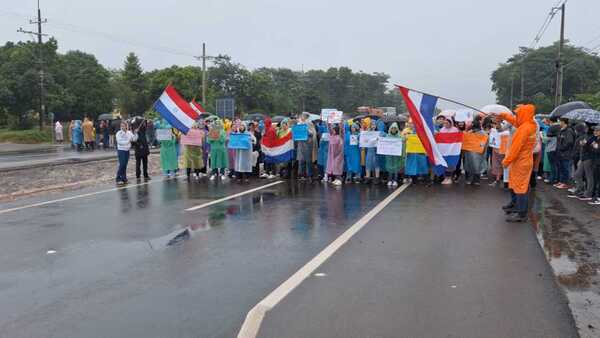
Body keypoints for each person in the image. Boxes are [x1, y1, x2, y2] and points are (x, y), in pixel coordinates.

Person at [498, 104, 538, 222]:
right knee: (515, 184)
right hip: (522, 161)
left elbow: (515, 148)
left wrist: (506, 161)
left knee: (520, 188)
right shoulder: (529, 124)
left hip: (521, 161)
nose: (516, 115)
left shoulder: (524, 129)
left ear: (523, 114)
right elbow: (515, 121)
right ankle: (516, 206)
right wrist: (503, 115)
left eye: (518, 113)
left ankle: (521, 214)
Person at [569, 124, 594, 201]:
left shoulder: (592, 136)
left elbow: (591, 148)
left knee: (588, 176)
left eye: (586, 127)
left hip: (588, 158)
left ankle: (588, 193)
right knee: (577, 175)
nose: (585, 128)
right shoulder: (586, 136)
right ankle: (580, 189)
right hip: (583, 158)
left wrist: (584, 145)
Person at [463, 116, 488, 186]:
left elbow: (485, 142)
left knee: (475, 165)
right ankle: (470, 179)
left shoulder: (482, 133)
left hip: (476, 152)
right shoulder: (469, 132)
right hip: (471, 152)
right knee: (470, 165)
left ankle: (474, 180)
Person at [555, 117, 576, 189]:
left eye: (559, 121)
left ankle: (566, 183)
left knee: (565, 168)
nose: (558, 123)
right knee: (561, 167)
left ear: (563, 122)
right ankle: (561, 181)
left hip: (566, 153)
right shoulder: (561, 130)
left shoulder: (569, 130)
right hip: (560, 153)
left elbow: (569, 142)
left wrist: (561, 148)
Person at [296, 113, 316, 181]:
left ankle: (309, 175)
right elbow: (295, 133)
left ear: (306, 117)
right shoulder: (298, 124)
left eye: (304, 116)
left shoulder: (309, 123)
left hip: (308, 144)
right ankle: (301, 175)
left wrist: (306, 130)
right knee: (301, 160)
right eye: (302, 116)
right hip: (300, 144)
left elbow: (312, 133)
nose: (302, 117)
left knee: (308, 161)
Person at [384, 122, 404, 187]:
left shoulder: (399, 136)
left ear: (397, 129)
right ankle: (389, 180)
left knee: (396, 167)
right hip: (389, 156)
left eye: (395, 128)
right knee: (390, 167)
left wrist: (404, 141)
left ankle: (395, 180)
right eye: (392, 128)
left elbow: (403, 142)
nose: (393, 129)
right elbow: (383, 143)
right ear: (390, 129)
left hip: (396, 155)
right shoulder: (387, 136)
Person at [589, 126, 600, 205]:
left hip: (598, 162)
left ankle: (598, 198)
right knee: (596, 179)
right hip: (595, 162)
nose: (595, 132)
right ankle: (596, 196)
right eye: (594, 130)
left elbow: (597, 150)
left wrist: (595, 147)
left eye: (597, 130)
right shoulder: (596, 139)